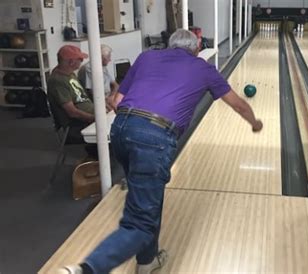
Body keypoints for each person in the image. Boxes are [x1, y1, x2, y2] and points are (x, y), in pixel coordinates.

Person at [59, 29, 263, 274]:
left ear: (170, 45)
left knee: (147, 200)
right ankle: (86, 269)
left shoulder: (146, 57)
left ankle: (146, 262)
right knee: (140, 223)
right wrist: (255, 123)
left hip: (122, 129)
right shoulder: (202, 68)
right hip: (154, 137)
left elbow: (116, 100)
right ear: (196, 49)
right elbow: (238, 105)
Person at [47, 45, 96, 157]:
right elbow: (72, 112)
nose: (82, 61)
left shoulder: (69, 74)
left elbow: (82, 97)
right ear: (71, 62)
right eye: (80, 59)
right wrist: (95, 119)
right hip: (76, 126)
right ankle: (100, 162)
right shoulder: (58, 81)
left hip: (88, 119)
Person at [78, 44, 119, 111]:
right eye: (108, 57)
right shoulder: (89, 68)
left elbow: (115, 85)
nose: (110, 60)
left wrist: (112, 96)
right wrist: (109, 108)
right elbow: (93, 94)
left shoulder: (103, 67)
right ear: (101, 58)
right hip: (98, 102)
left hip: (108, 98)